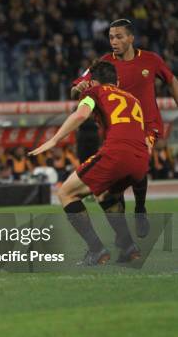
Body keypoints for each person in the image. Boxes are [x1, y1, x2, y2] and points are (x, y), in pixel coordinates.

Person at [31, 60, 150, 266]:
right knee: (105, 195)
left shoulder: (94, 92)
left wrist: (54, 140)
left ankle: (97, 250)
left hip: (116, 154)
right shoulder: (133, 98)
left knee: (65, 193)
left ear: (93, 81)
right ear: (117, 81)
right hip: (141, 160)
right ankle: (129, 248)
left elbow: (81, 114)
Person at [71, 19, 178, 237]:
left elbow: (171, 80)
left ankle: (140, 208)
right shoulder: (104, 63)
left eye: (119, 36)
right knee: (116, 179)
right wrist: (79, 88)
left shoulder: (151, 60)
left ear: (131, 38)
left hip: (147, 126)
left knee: (140, 160)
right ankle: (123, 229)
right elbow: (75, 88)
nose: (114, 41)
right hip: (115, 129)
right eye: (111, 37)